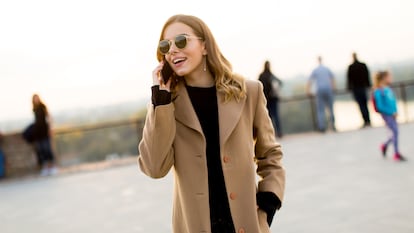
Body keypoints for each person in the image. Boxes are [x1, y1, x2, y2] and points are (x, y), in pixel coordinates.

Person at [138, 14, 285, 233]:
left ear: (205, 46)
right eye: (165, 45)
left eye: (181, 41)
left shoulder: (248, 92)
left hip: (246, 224)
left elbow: (270, 154)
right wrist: (160, 100)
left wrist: (268, 201)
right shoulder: (167, 105)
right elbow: (154, 168)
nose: (172, 50)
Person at [373, 71, 406, 161]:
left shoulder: (388, 89)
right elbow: (380, 106)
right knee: (395, 132)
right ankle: (396, 153)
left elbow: (392, 102)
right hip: (387, 115)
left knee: (394, 132)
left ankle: (385, 145)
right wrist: (390, 112)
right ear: (383, 78)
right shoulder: (378, 91)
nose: (391, 79)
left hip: (393, 114)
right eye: (389, 77)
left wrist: (395, 111)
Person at [306, 56, 336, 132]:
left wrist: (308, 91)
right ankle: (333, 125)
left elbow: (309, 81)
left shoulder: (315, 70)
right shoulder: (326, 69)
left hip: (319, 90)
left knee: (320, 109)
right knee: (331, 108)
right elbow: (332, 78)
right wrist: (333, 88)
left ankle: (322, 127)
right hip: (328, 89)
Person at [31, 94, 58, 176]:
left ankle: (52, 167)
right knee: (41, 150)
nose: (36, 100)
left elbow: (49, 117)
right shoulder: (34, 109)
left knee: (47, 149)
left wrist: (50, 128)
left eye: (37, 98)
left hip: (45, 131)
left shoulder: (43, 107)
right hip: (38, 133)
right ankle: (46, 168)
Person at [258, 60, 283, 138]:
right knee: (275, 116)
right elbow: (280, 82)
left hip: (266, 99)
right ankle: (278, 132)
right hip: (273, 98)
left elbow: (258, 87)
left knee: (268, 116)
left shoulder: (261, 76)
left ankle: (270, 134)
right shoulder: (271, 75)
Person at [347, 52, 372, 128]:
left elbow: (349, 79)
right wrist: (368, 85)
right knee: (365, 104)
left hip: (356, 88)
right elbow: (367, 75)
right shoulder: (362, 65)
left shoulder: (351, 67)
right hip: (363, 87)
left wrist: (350, 88)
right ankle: (368, 120)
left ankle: (366, 121)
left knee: (361, 105)